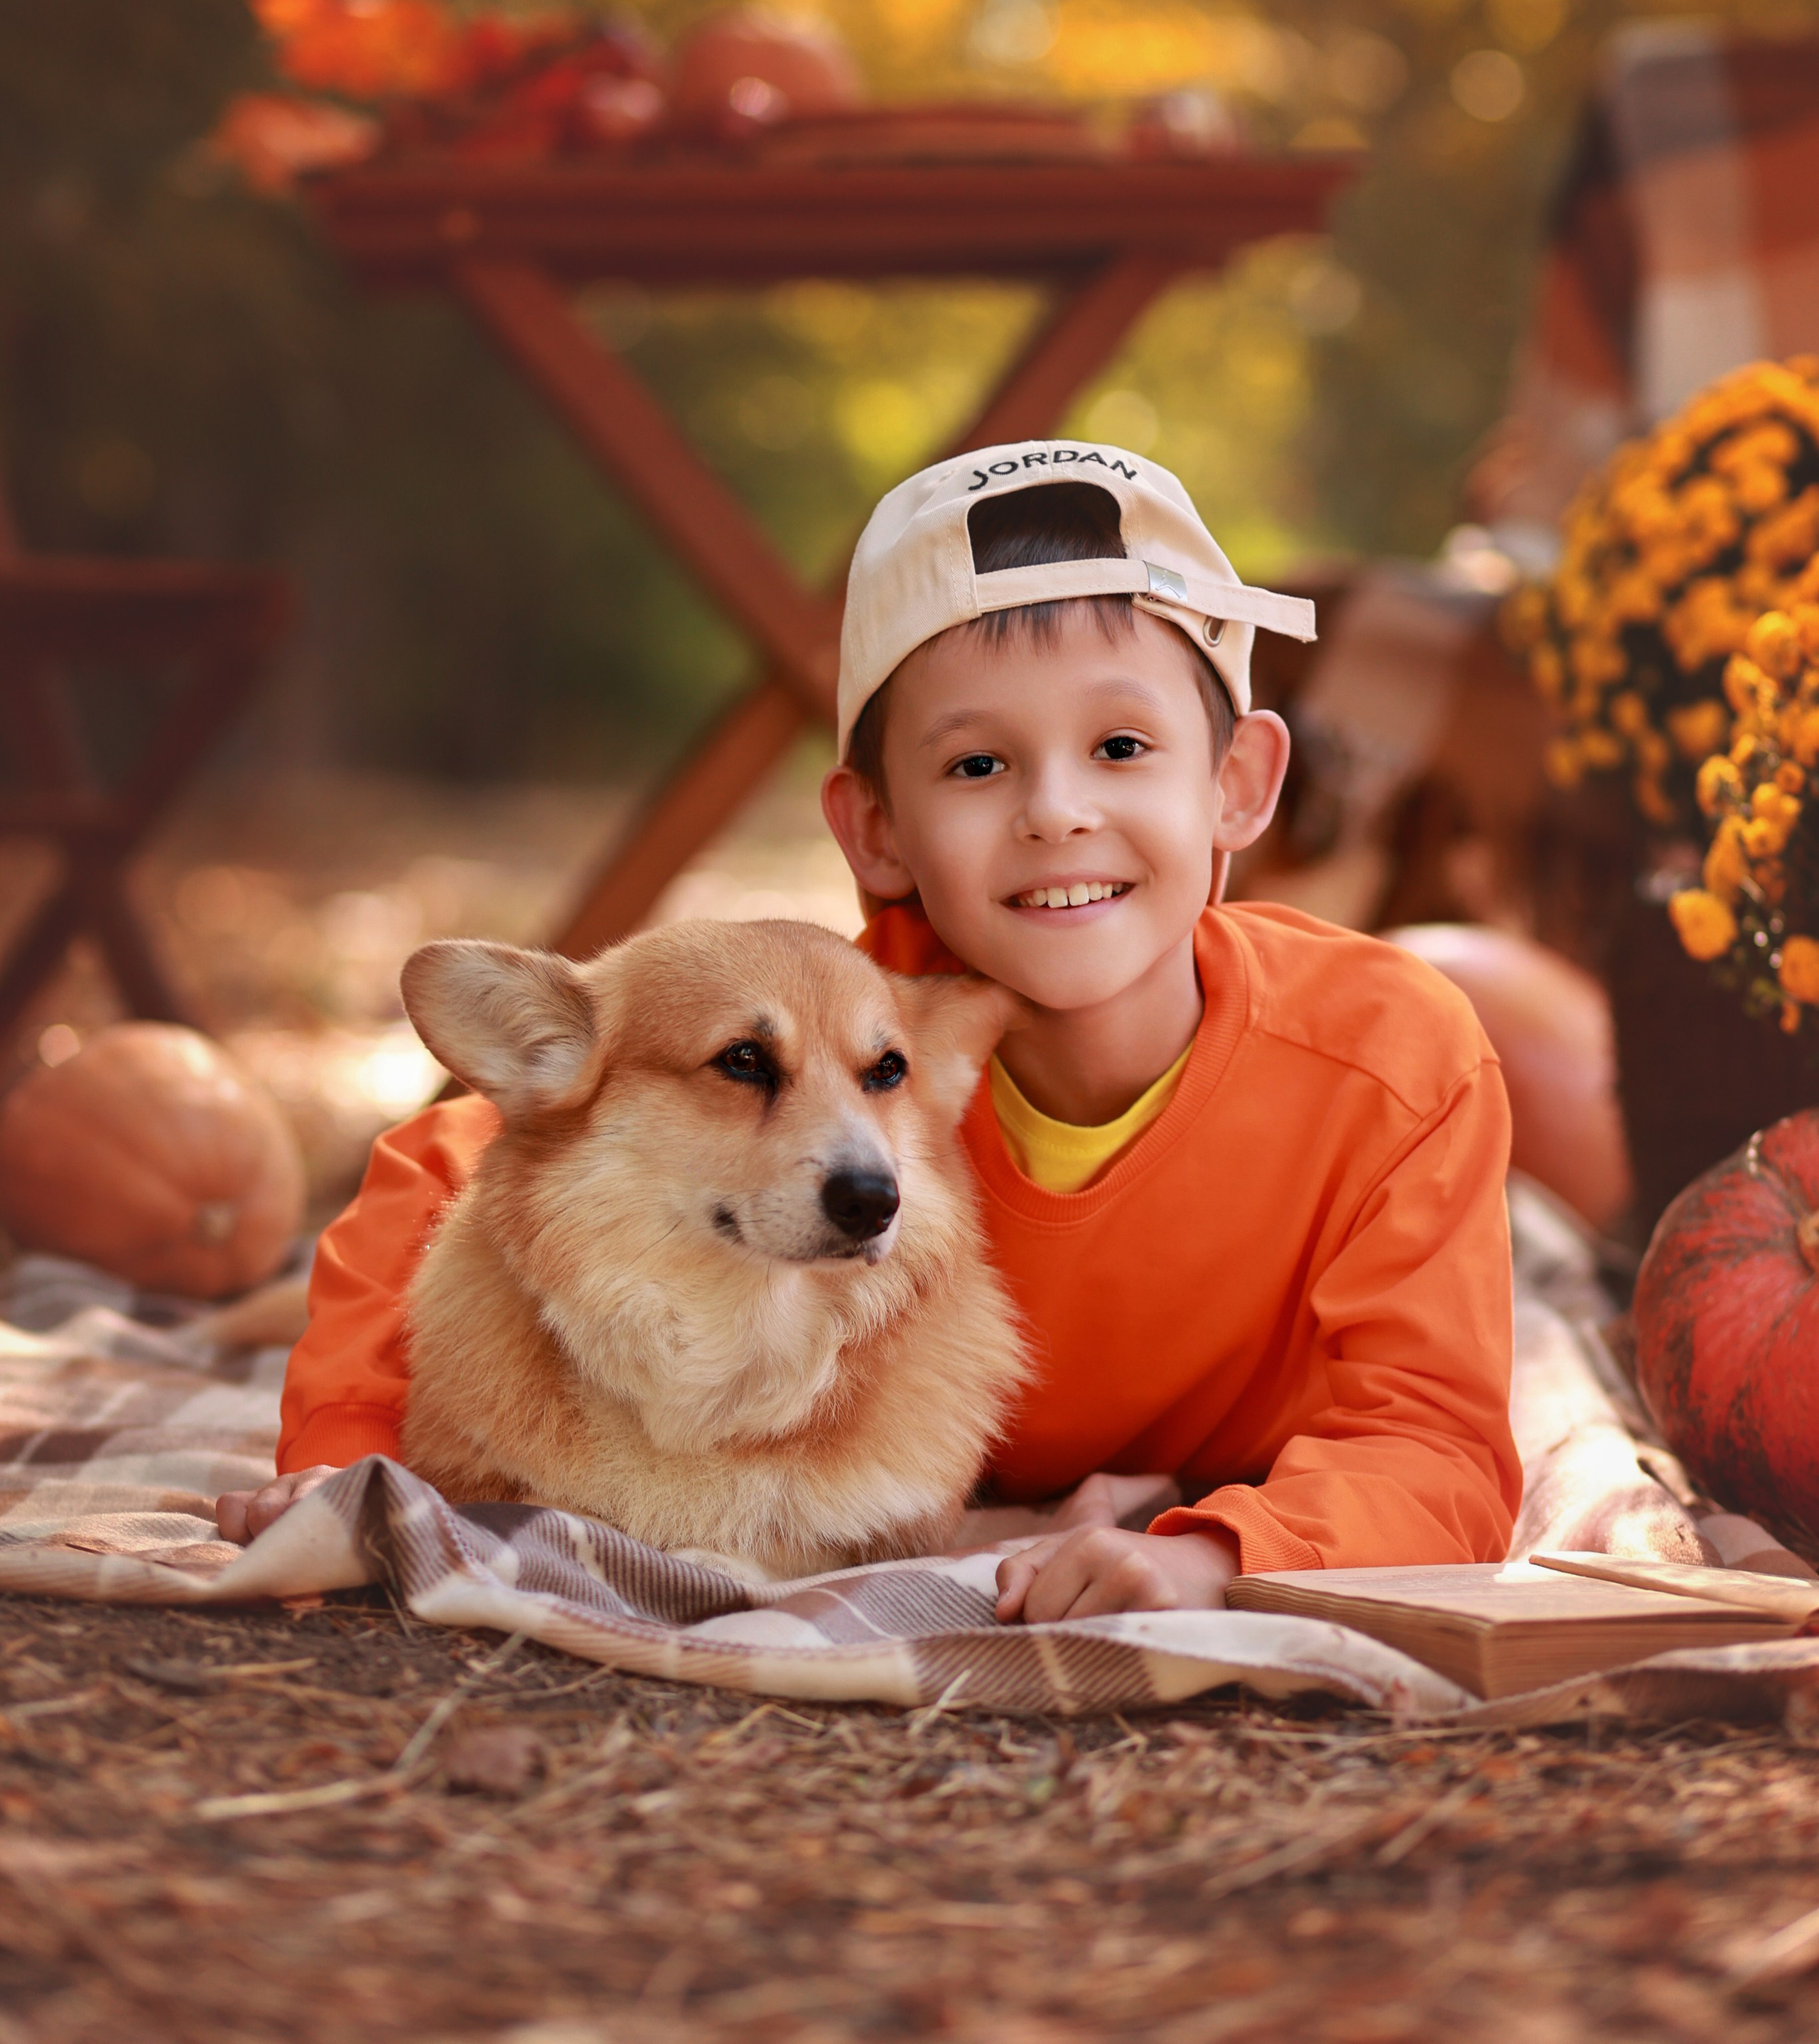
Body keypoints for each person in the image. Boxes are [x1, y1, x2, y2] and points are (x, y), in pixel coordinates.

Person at [222, 440, 1521, 1618]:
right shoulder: (855, 1032)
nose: (1056, 811)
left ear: (1238, 785)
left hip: (1216, 1486)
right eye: (976, 765)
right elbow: (442, 1166)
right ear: (875, 831)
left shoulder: (1394, 1058)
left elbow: (1440, 1447)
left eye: (1123, 745)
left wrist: (1218, 1553)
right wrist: (342, 1461)